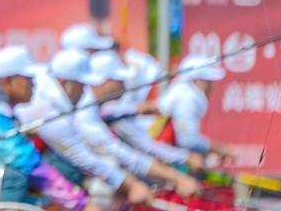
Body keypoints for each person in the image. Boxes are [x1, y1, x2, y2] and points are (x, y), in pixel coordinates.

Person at [0, 46, 105, 211]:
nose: (34, 84)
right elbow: (30, 164)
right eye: (28, 78)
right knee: (15, 176)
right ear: (8, 81)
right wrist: (82, 205)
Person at [20, 48, 153, 205]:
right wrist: (131, 185)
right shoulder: (50, 107)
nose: (85, 92)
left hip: (28, 164)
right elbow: (83, 159)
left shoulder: (52, 91)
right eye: (81, 85)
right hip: (18, 174)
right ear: (66, 82)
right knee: (68, 168)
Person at [78, 51, 201, 198]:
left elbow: (140, 136)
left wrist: (183, 159)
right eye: (120, 81)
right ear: (104, 81)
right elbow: (122, 153)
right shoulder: (84, 115)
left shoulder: (104, 107)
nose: (124, 86)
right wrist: (177, 177)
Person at [157, 54, 234, 161]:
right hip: (157, 154)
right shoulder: (187, 97)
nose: (211, 87)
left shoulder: (182, 92)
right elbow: (187, 140)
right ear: (196, 80)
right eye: (208, 81)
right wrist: (219, 149)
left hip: (161, 152)